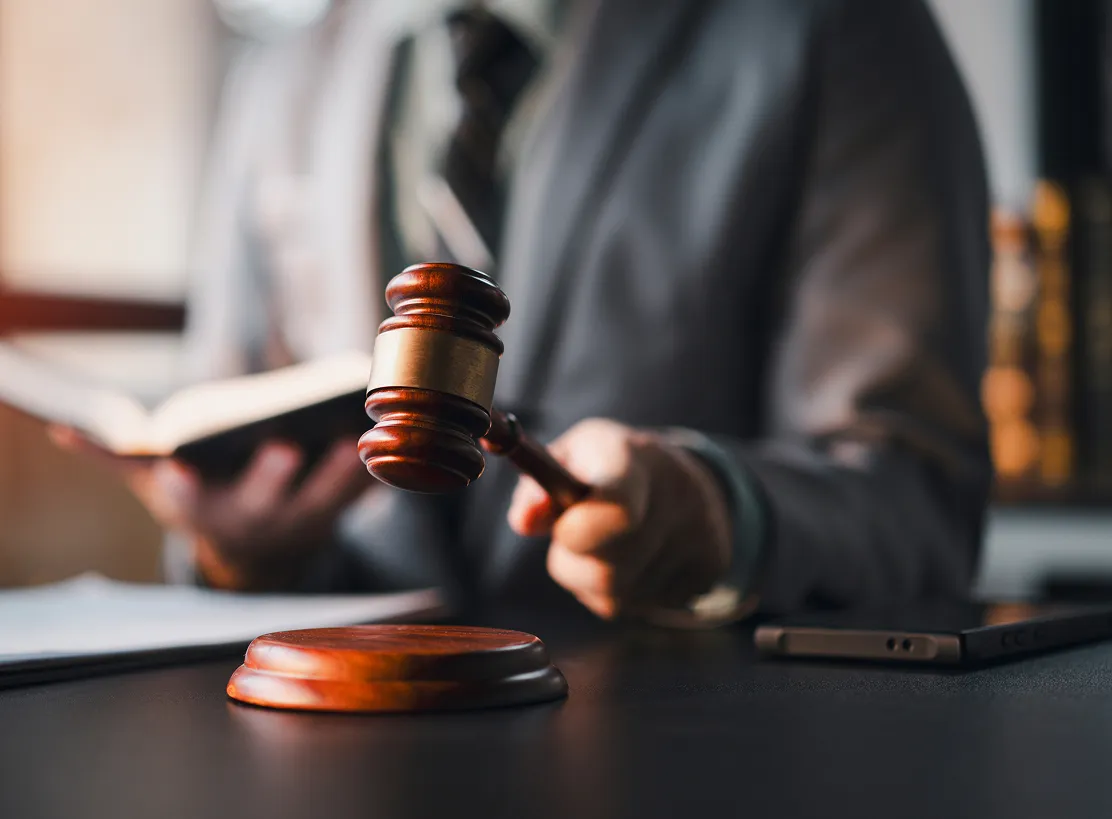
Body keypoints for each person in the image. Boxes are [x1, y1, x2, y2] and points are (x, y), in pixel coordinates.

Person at [59, 0, 991, 623]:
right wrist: (240, 559)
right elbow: (223, 426)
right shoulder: (282, 78)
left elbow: (918, 498)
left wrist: (724, 513)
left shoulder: (841, 27)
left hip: (681, 751)